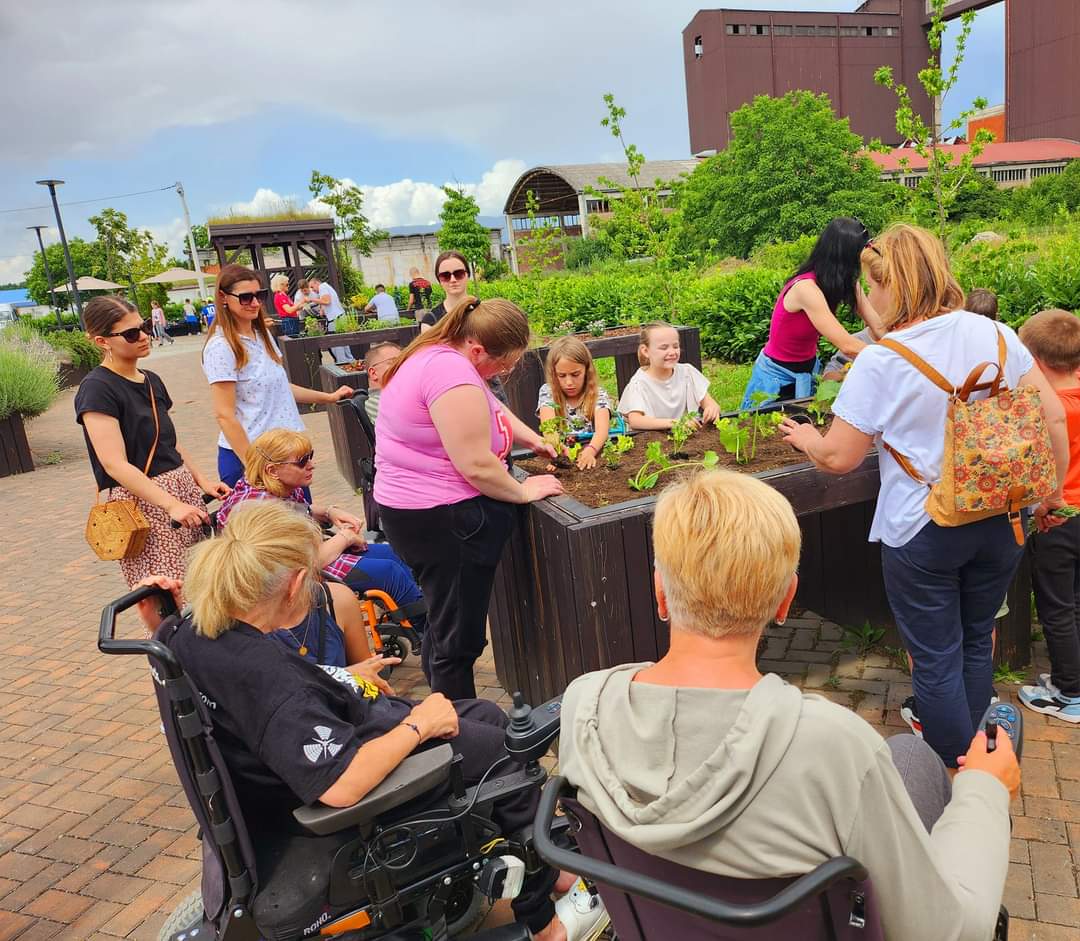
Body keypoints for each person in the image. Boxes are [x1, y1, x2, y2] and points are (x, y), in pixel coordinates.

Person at [558, 469, 1019, 941]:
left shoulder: (583, 707)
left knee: (910, 757)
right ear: (785, 601)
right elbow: (953, 932)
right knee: (913, 759)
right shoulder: (834, 748)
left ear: (660, 590)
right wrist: (984, 789)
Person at [136, 501, 601, 941]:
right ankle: (545, 921)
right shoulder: (272, 684)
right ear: (296, 585)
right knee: (508, 756)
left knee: (485, 714)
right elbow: (340, 786)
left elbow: (262, 693)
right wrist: (419, 727)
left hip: (328, 748)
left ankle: (546, 865)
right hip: (346, 788)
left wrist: (162, 618)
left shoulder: (187, 634)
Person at [781, 223, 1069, 767]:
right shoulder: (997, 334)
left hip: (924, 526)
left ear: (892, 284)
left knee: (935, 656)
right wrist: (1048, 495)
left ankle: (952, 768)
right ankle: (981, 760)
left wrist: (807, 440)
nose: (869, 296)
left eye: (873, 285)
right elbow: (1051, 417)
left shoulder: (883, 359)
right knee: (975, 637)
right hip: (1001, 516)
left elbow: (840, 458)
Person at [375, 297, 563, 699]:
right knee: (458, 640)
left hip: (413, 510)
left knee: (444, 619)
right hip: (444, 519)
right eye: (504, 364)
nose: (505, 372)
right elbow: (475, 465)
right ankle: (459, 721)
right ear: (478, 350)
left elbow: (490, 405)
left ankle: (445, 705)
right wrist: (522, 491)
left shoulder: (438, 353)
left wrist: (531, 438)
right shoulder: (452, 374)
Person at [215, 427, 426, 640]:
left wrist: (328, 512)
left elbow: (297, 508)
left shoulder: (266, 485)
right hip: (289, 576)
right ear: (272, 470)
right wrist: (345, 537)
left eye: (310, 456)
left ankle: (414, 612)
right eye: (301, 462)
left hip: (306, 553)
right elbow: (307, 562)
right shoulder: (261, 510)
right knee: (388, 571)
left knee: (393, 554)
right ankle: (425, 629)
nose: (311, 465)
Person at [75, 295, 226, 586]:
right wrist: (170, 505)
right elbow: (114, 464)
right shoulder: (97, 388)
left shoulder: (150, 378)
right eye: (131, 333)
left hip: (181, 491)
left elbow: (169, 441)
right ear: (102, 341)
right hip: (143, 500)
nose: (144, 336)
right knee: (171, 590)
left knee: (205, 584)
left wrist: (202, 481)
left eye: (144, 326)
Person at [202, 264, 354, 489]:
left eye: (260, 295)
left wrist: (329, 397)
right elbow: (224, 415)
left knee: (301, 512)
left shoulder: (261, 335)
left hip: (288, 453)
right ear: (223, 297)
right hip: (254, 455)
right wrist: (254, 468)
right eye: (245, 297)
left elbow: (281, 386)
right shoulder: (222, 346)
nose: (255, 303)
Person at [740, 217, 885, 408]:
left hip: (807, 370)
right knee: (768, 426)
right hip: (777, 377)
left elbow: (878, 326)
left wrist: (904, 348)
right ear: (845, 258)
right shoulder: (806, 289)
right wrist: (892, 358)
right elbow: (847, 345)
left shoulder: (844, 283)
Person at [1018, 309, 1080, 723]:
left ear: (1036, 360)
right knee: (1075, 603)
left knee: (1056, 609)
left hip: (1058, 516)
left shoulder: (1047, 408)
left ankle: (1069, 693)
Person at [618, 323, 720, 431]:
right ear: (646, 351)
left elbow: (709, 402)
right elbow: (636, 421)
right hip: (651, 438)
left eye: (675, 346)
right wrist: (676, 423)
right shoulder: (639, 383)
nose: (672, 352)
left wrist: (712, 409)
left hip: (685, 436)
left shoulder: (687, 373)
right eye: (664, 348)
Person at [537, 336, 612, 470]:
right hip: (562, 451)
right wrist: (557, 455)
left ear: (587, 370)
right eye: (562, 375)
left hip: (590, 447)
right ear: (554, 374)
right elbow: (549, 429)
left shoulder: (598, 394)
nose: (569, 382)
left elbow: (602, 430)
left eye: (575, 374)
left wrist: (591, 451)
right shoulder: (548, 392)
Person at [418, 251, 470, 333]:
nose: (453, 280)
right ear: (439, 281)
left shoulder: (484, 312)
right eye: (445, 276)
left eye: (459, 274)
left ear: (468, 275)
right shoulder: (430, 322)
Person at [309, 274, 351, 365]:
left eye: (312, 287)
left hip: (335, 319)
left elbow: (327, 301)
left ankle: (342, 365)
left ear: (316, 283)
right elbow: (326, 302)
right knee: (344, 343)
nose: (312, 290)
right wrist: (322, 309)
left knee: (336, 344)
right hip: (340, 317)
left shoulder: (322, 287)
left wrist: (311, 299)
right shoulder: (326, 287)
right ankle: (350, 363)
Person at [363, 341, 401, 425]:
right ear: (373, 373)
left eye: (403, 363)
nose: (401, 367)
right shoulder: (376, 402)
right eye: (394, 362)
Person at [270, 273, 305, 338]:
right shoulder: (280, 296)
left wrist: (301, 306)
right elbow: (289, 310)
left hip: (291, 320)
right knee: (293, 340)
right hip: (289, 321)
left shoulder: (284, 296)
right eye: (287, 284)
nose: (288, 286)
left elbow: (292, 309)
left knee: (295, 339)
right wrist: (301, 302)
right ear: (281, 285)